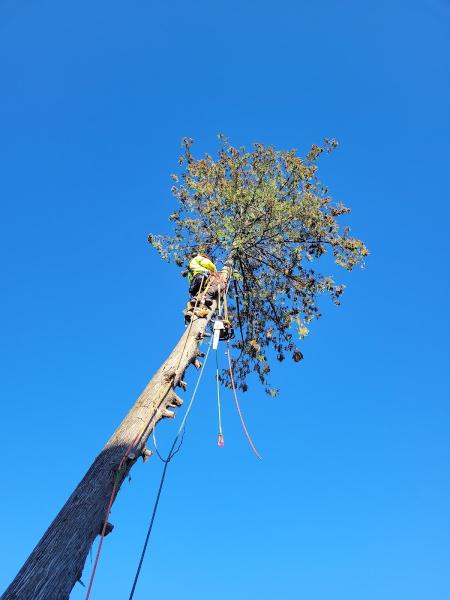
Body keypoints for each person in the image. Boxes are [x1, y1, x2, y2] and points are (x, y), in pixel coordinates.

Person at [184, 252, 217, 322]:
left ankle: (191, 310)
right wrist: (214, 270)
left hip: (194, 284)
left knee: (197, 295)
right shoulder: (198, 258)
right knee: (210, 289)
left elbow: (190, 279)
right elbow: (207, 263)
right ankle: (202, 307)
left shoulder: (191, 267)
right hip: (201, 277)